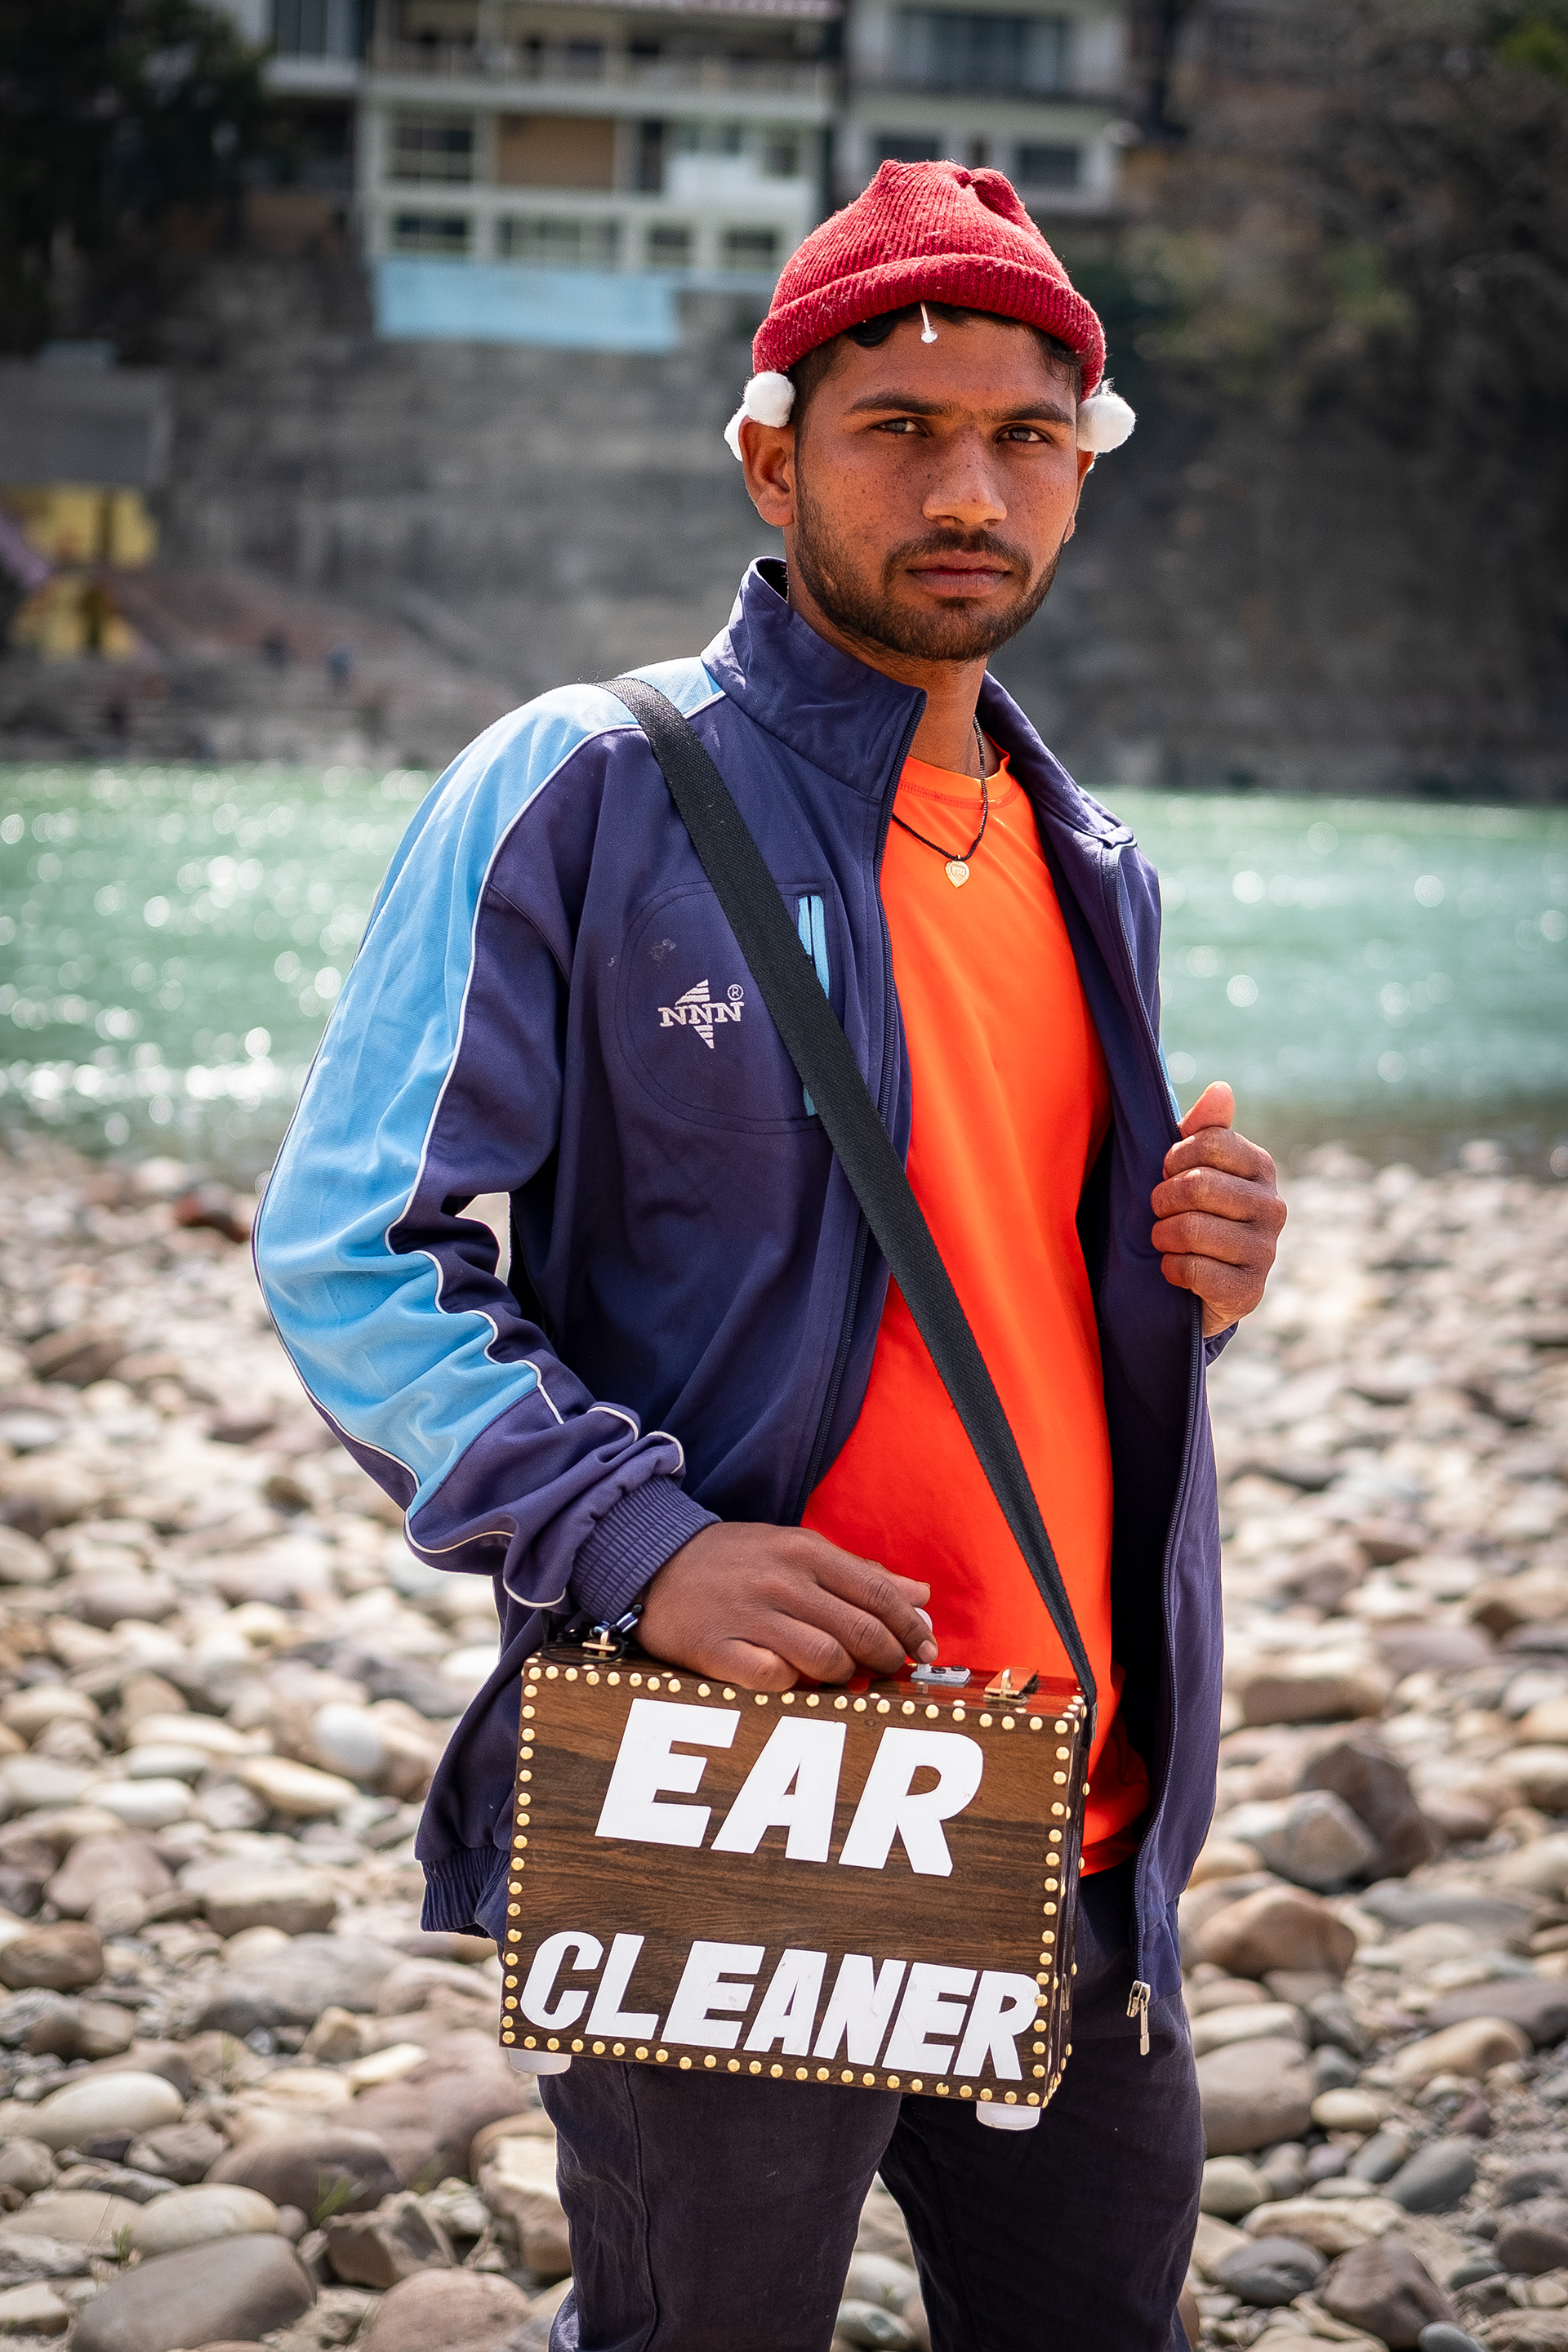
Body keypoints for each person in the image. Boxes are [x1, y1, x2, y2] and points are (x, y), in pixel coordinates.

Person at [255, 160, 1285, 2352]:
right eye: (900, 429)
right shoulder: (585, 784)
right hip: (738, 1786)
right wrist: (644, 1543)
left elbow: (991, 1276)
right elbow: (354, 1250)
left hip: (1072, 1799)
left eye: (1026, 436)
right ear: (771, 455)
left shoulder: (1091, 856)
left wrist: (1189, 1264)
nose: (968, 488)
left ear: (1081, 477)